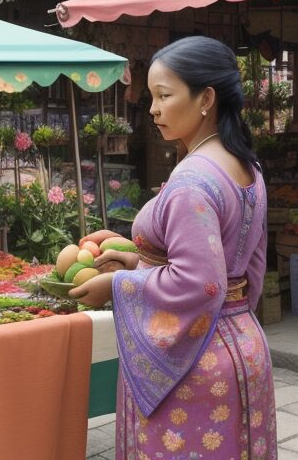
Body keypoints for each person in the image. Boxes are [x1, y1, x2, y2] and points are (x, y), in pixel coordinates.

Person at [70, 36, 275, 459]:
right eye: (152, 97)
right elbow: (244, 262)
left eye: (164, 95)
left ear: (206, 98)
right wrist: (137, 260)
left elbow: (199, 283)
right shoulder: (245, 165)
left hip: (194, 361)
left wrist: (118, 285)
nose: (153, 109)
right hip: (243, 345)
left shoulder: (191, 181)